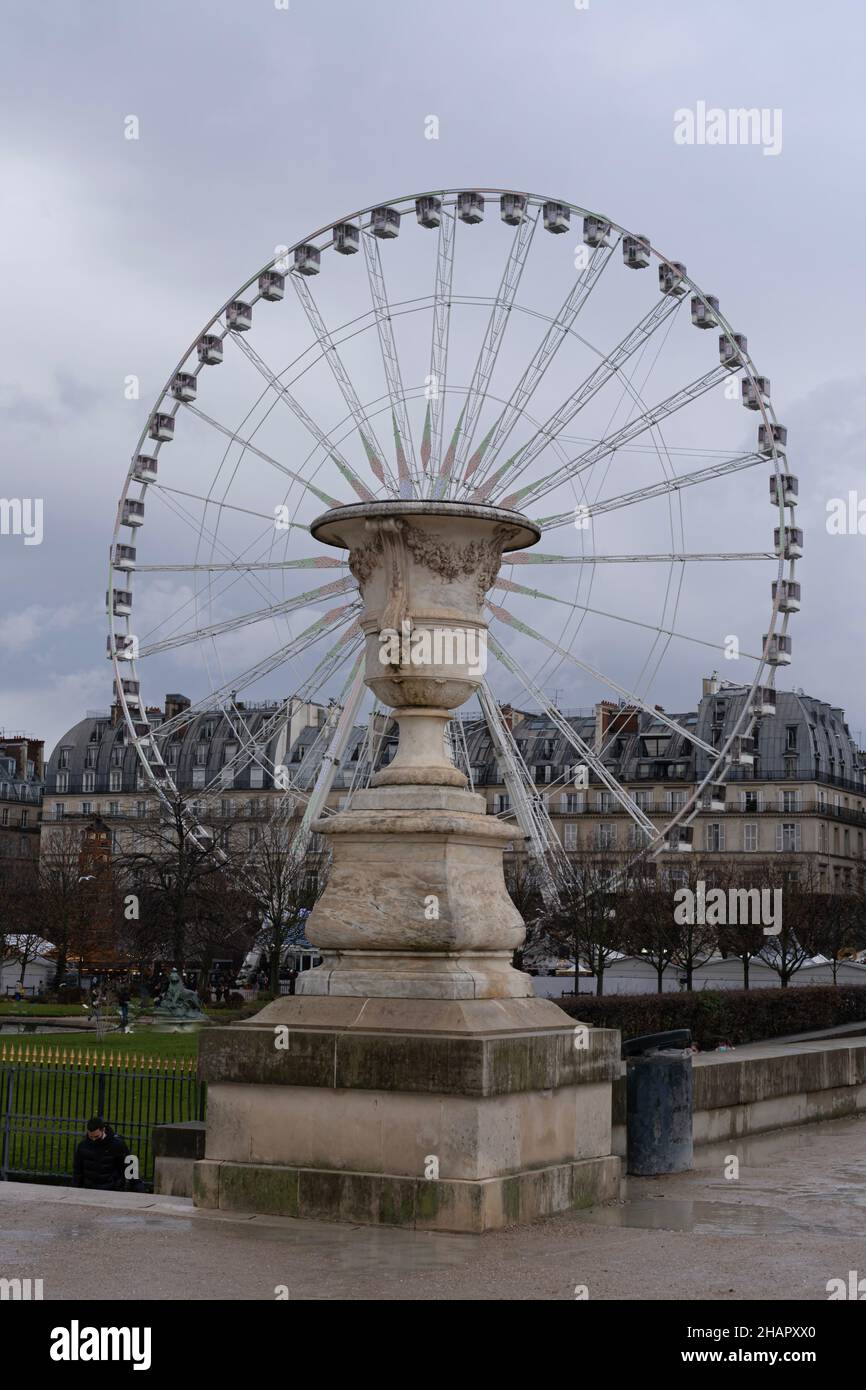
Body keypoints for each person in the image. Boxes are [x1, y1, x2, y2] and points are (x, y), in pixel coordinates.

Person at [73, 1117, 130, 1191]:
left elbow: (127, 1167)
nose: (94, 1139)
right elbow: (78, 1170)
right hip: (89, 1189)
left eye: (96, 1136)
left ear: (103, 1130)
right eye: (91, 1136)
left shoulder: (117, 1145)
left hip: (111, 1189)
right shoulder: (83, 1146)